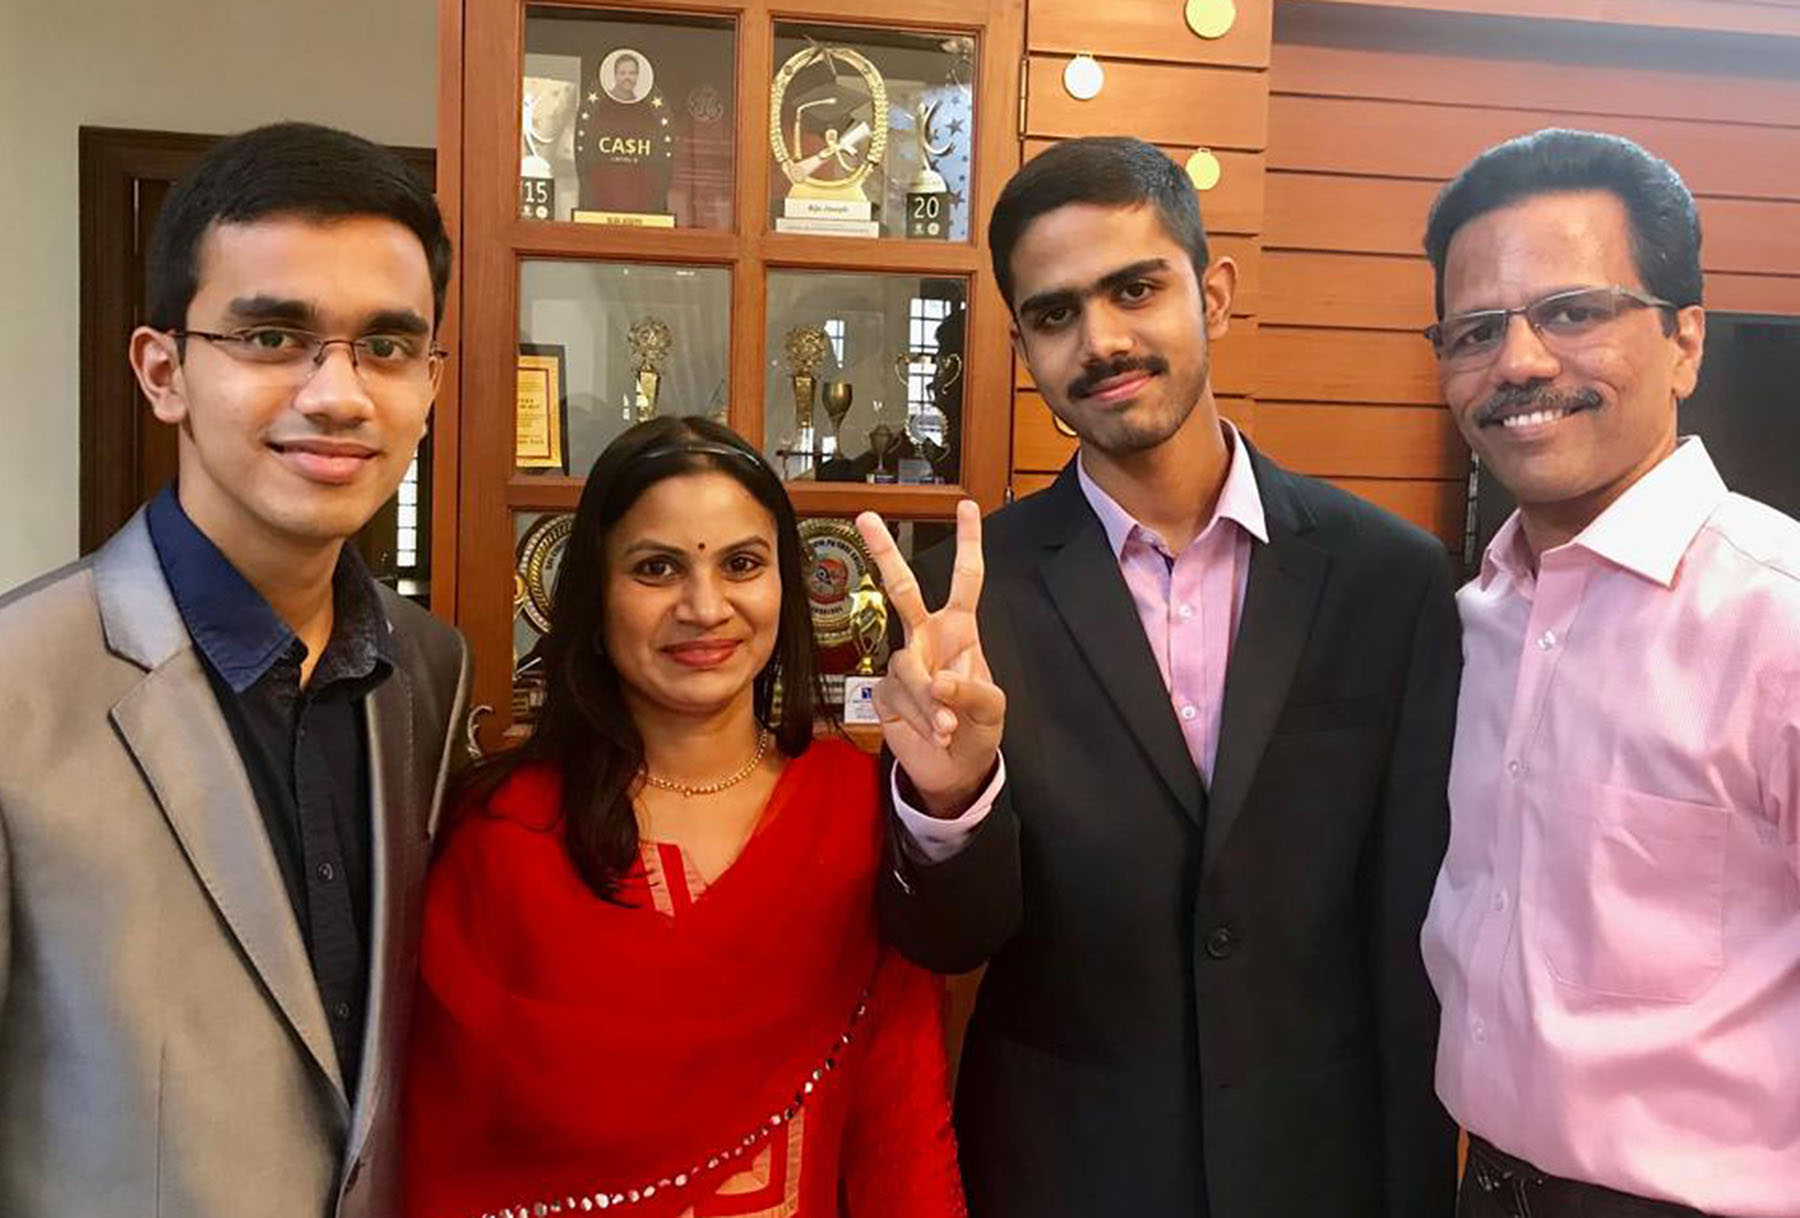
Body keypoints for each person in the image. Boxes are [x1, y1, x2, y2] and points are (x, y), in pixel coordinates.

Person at [865, 135, 1461, 1218]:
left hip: (1318, 1170)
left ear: (1212, 293)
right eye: (1056, 314)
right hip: (1064, 1172)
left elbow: (1407, 938)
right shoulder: (963, 597)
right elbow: (948, 942)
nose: (1101, 340)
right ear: (1023, 346)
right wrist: (947, 803)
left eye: (1134, 289)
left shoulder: (1389, 578)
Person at [0, 122, 468, 1218]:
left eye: (387, 345)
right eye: (272, 336)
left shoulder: (428, 669)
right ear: (163, 371)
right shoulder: (18, 689)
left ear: (432, 383)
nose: (339, 394)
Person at [402, 415, 1002, 1218]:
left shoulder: (851, 812)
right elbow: (443, 1150)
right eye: (656, 568)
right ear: (595, 593)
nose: (705, 606)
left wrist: (949, 790)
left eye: (742, 564)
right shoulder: (505, 833)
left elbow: (900, 1137)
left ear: (784, 585)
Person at [1420, 128, 1800, 1218]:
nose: (1520, 363)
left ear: (1685, 340)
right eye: (1477, 330)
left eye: (1574, 311)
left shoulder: (1777, 622)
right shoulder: (1473, 624)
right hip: (1484, 1185)